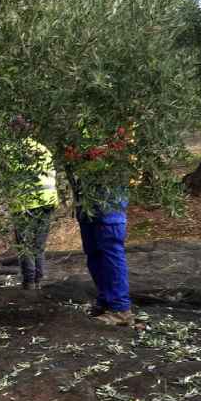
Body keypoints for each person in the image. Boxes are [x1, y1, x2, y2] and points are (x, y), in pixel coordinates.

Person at [68, 128, 133, 327]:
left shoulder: (111, 118)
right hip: (87, 195)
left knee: (110, 249)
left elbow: (112, 151)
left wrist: (82, 154)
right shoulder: (80, 122)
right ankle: (106, 300)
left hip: (108, 193)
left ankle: (121, 309)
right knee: (94, 252)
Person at [1, 116, 59, 290]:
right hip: (47, 201)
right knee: (38, 244)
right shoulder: (43, 149)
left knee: (25, 245)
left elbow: (9, 173)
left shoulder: (9, 150)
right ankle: (38, 279)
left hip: (25, 203)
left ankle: (29, 281)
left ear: (13, 130)